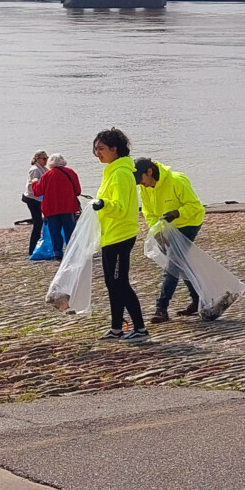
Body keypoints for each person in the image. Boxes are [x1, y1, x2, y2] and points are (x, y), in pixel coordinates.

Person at [90, 128, 149, 343]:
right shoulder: (112, 172)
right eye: (96, 149)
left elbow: (121, 208)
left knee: (120, 283)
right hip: (110, 235)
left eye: (102, 149)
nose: (98, 153)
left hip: (121, 235)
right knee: (111, 283)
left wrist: (103, 204)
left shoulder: (122, 173)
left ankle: (141, 329)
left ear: (115, 149)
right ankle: (116, 328)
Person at [134, 158, 206, 323]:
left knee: (172, 264)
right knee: (181, 263)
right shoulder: (145, 189)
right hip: (168, 227)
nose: (141, 184)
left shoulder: (176, 181)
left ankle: (161, 308)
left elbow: (196, 207)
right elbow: (149, 213)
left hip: (189, 223)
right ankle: (198, 300)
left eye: (141, 180)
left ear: (150, 172)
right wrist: (157, 233)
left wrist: (177, 213)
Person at [31, 154, 81, 260]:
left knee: (55, 231)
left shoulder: (47, 175)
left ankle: (58, 252)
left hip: (51, 208)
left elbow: (37, 192)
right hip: (68, 207)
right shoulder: (71, 172)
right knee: (70, 230)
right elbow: (78, 191)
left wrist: (34, 182)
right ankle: (72, 251)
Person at [22, 150, 48, 255]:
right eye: (44, 159)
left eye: (47, 158)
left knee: (40, 222)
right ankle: (32, 248)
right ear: (37, 159)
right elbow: (33, 185)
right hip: (32, 198)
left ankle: (38, 245)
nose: (46, 160)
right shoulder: (35, 170)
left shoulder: (43, 169)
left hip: (39, 198)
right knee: (37, 222)